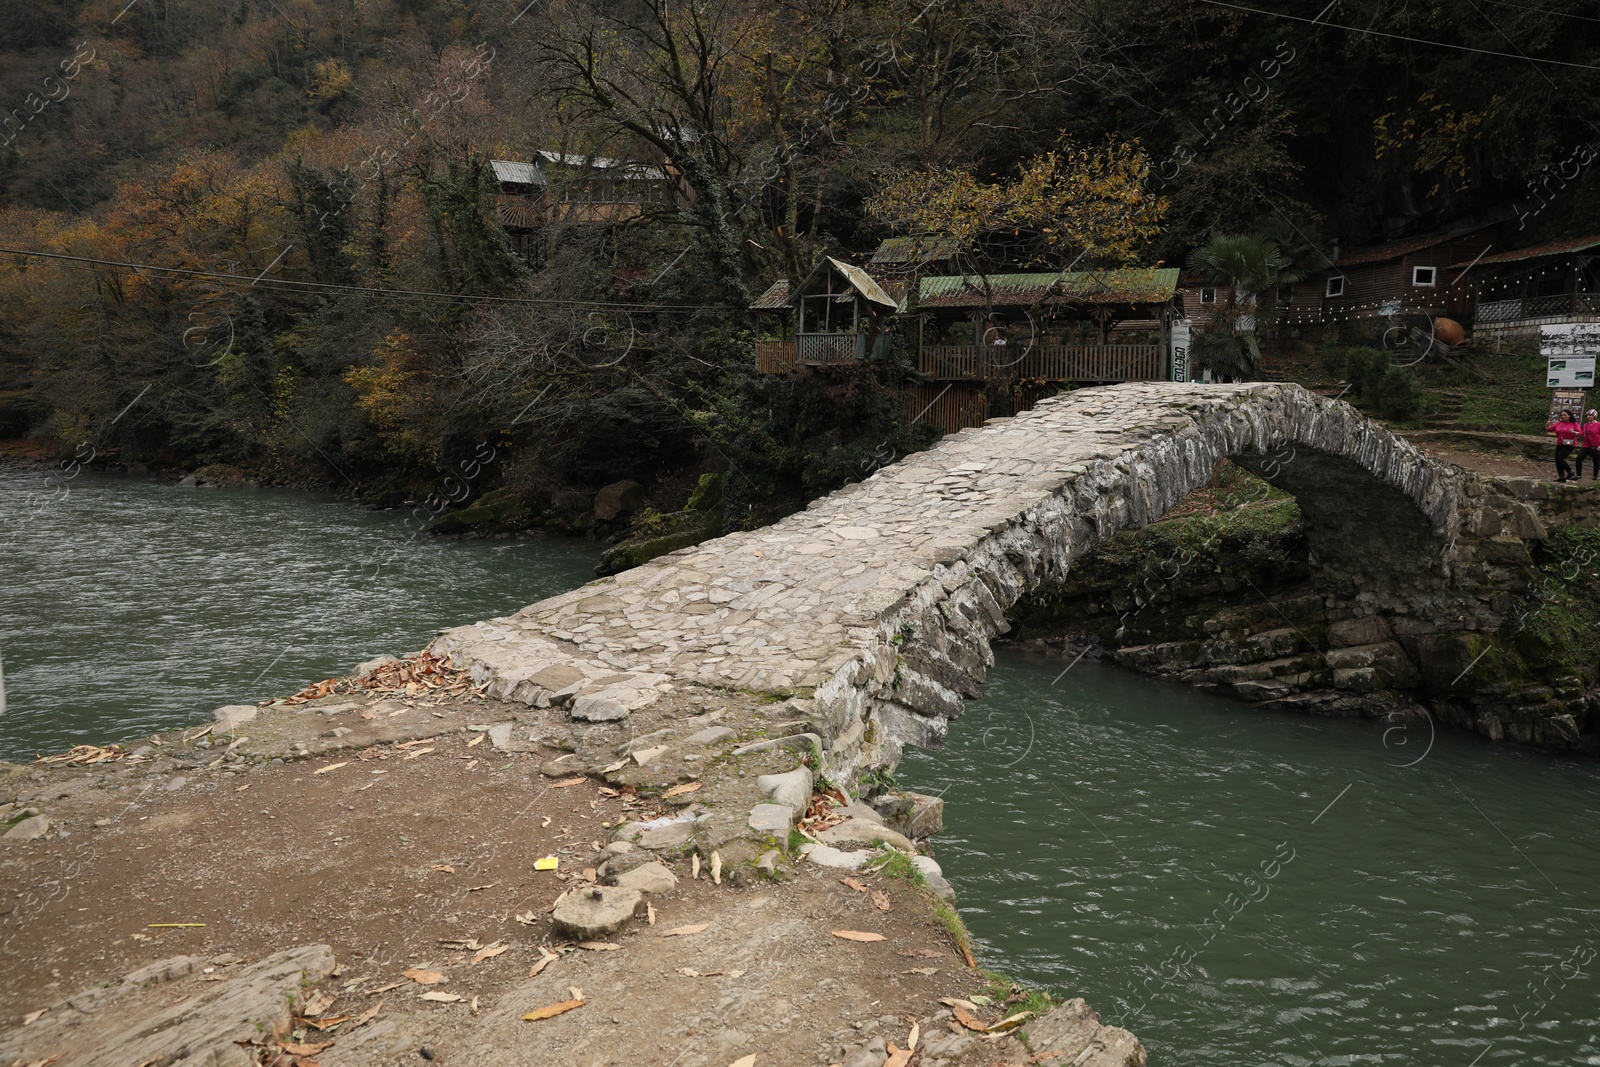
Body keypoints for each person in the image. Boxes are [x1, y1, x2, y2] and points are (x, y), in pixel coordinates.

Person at [1548, 409, 1582, 482]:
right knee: (1557, 460)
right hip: (1560, 443)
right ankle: (1561, 476)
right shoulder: (1559, 423)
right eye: (1562, 415)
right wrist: (1547, 424)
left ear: (1569, 415)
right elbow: (1550, 429)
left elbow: (1580, 433)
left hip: (1570, 444)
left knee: (1560, 458)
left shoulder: (1574, 424)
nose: (1563, 417)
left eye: (1564, 415)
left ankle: (1570, 472)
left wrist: (1574, 432)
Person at [1580, 410, 1600, 481]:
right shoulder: (1585, 425)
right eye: (1587, 415)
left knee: (1596, 461)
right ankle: (1578, 475)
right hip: (1586, 445)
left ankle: (1595, 476)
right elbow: (1582, 435)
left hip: (1596, 445)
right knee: (1579, 459)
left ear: (1594, 416)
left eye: (1590, 415)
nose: (1588, 416)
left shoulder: (1598, 424)